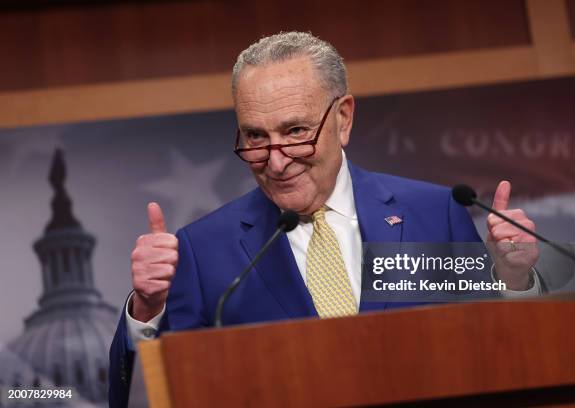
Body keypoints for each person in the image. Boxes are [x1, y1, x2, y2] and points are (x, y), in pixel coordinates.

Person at [109, 32, 540, 407]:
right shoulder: (203, 252)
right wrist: (148, 311)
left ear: (343, 118)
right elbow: (157, 398)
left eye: (296, 131)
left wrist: (513, 281)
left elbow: (505, 359)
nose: (275, 163)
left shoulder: (434, 215)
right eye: (256, 137)